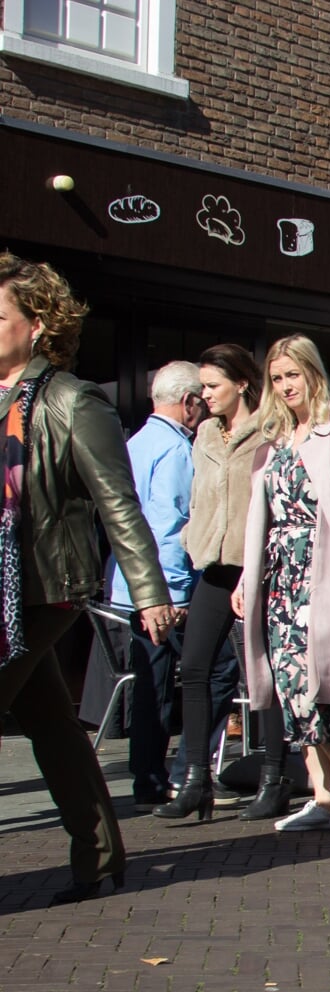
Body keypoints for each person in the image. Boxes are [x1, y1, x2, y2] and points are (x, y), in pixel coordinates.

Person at [0, 253, 175, 903]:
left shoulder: (75, 401)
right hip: (2, 587)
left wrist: (150, 593)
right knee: (49, 720)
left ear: (38, 324)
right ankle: (100, 854)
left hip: (46, 586)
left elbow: (119, 504)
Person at [234, 335, 330, 833]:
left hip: (321, 575)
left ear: (312, 372)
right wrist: (246, 578)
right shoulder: (276, 438)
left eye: (292, 375)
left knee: (319, 690)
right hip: (279, 577)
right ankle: (321, 794)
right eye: (276, 378)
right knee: (292, 691)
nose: (284, 386)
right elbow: (263, 515)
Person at [156, 345, 275, 821]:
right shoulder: (204, 432)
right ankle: (195, 780)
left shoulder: (269, 430)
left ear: (242, 383)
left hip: (255, 567)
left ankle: (274, 776)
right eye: (202, 387)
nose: (204, 396)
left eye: (212, 386)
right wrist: (192, 538)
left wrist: (257, 564)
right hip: (213, 565)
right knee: (194, 667)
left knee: (262, 673)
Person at [106, 361, 203, 807]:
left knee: (150, 683)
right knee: (182, 681)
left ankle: (148, 775)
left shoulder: (135, 444)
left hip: (130, 586)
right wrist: (177, 593)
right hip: (162, 590)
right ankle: (164, 775)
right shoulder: (178, 451)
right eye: (200, 401)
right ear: (188, 403)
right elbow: (171, 526)